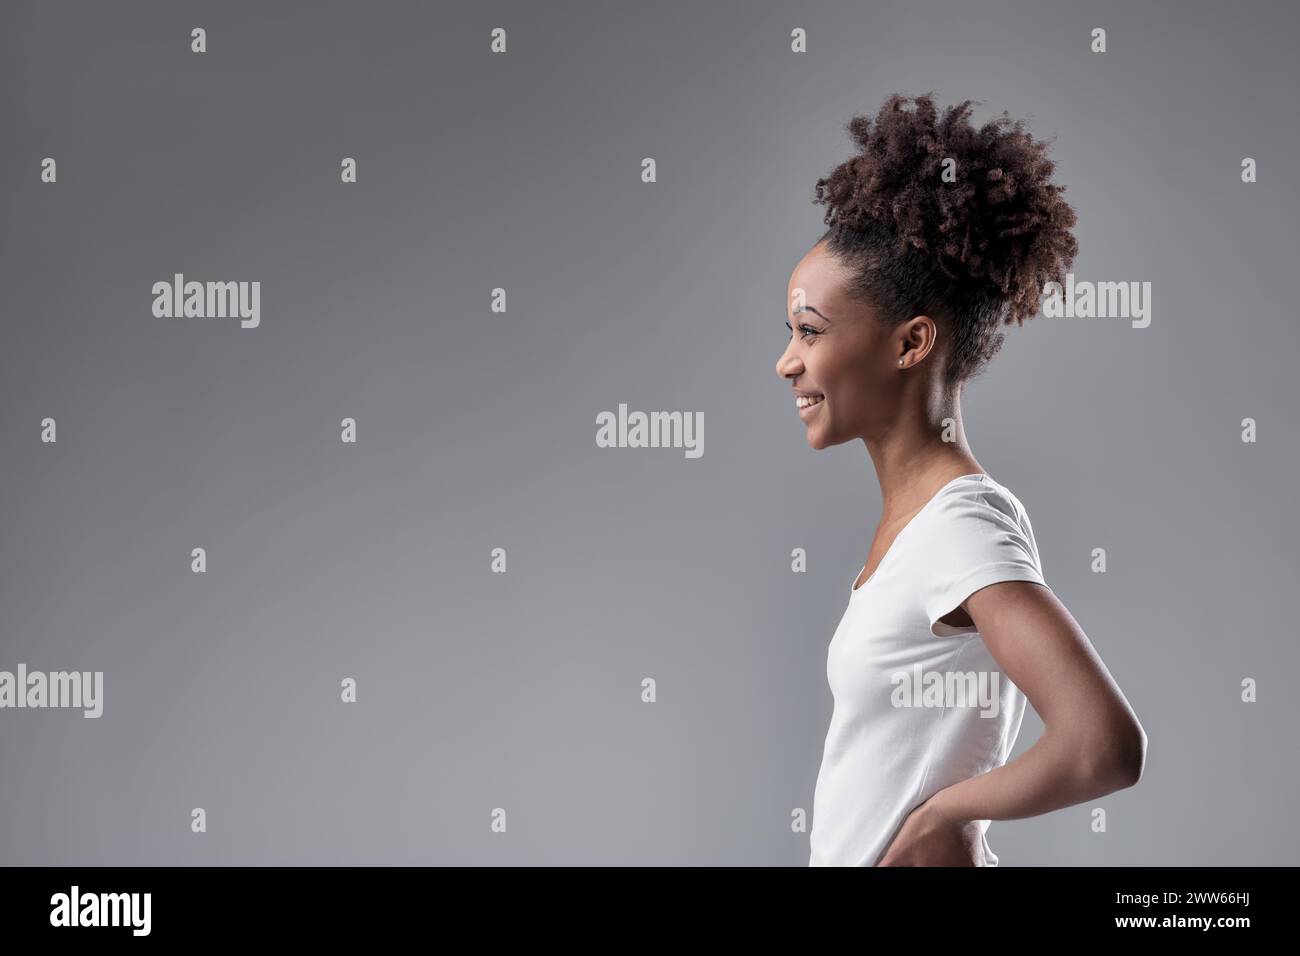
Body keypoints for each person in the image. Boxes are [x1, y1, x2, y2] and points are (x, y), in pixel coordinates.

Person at [776, 94, 1147, 866]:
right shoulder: (921, 528)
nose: (787, 361)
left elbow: (1103, 744)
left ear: (911, 343)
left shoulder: (959, 526)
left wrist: (944, 816)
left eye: (810, 332)